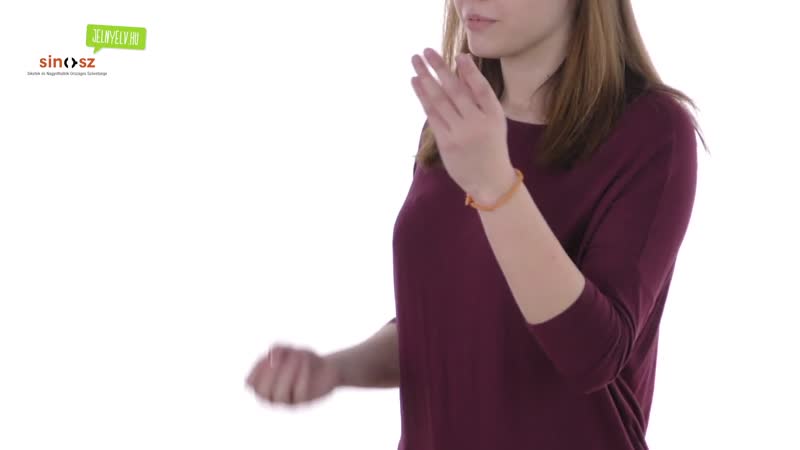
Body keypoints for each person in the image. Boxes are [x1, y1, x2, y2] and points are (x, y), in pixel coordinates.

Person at [245, 0, 705, 449]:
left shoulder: (652, 131)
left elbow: (592, 355)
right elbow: (449, 326)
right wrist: (337, 369)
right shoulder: (461, 124)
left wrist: (496, 186)